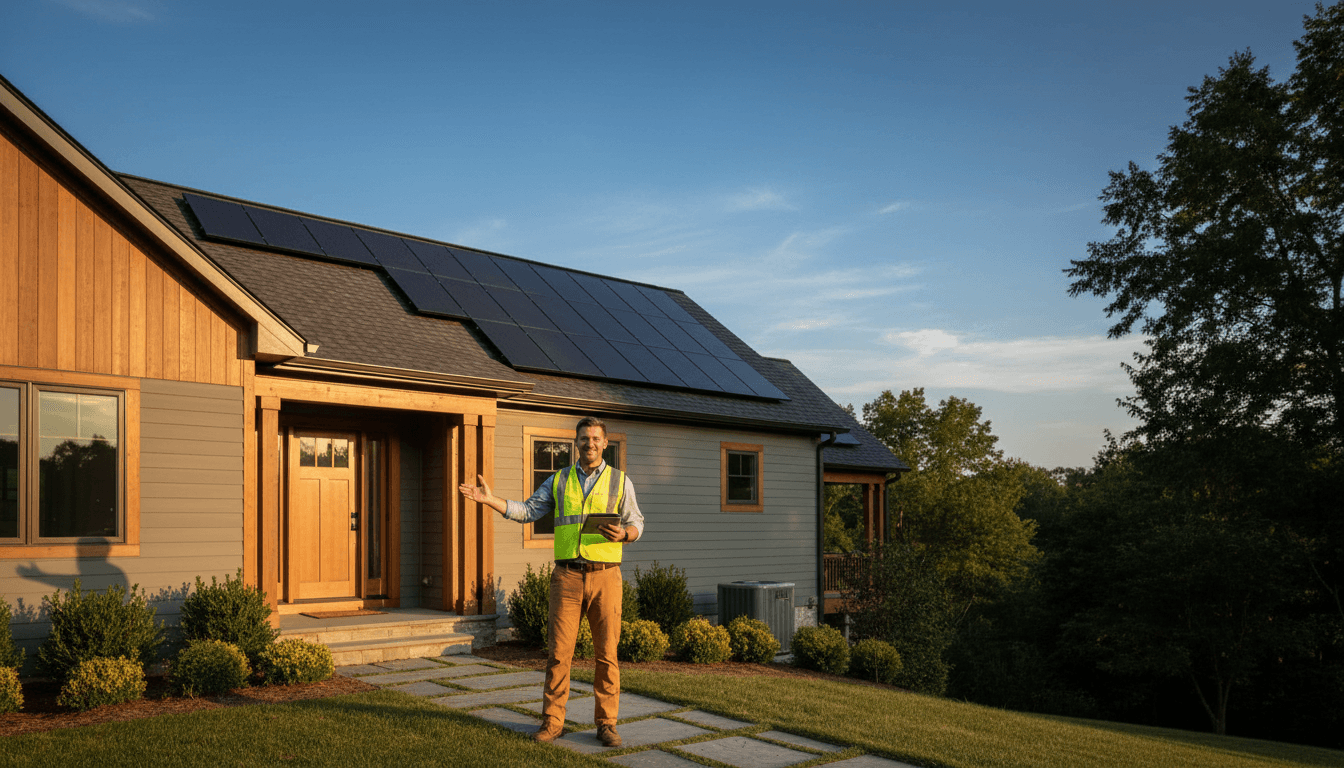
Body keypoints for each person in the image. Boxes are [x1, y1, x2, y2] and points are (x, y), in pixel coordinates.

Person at [458, 416, 643, 746]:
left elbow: (636, 522)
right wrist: (490, 500)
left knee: (607, 655)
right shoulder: (559, 480)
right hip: (567, 577)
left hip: (606, 577)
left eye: (596, 439)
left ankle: (607, 724)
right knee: (559, 654)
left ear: (605, 443)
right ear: (576, 442)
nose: (590, 443)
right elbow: (527, 511)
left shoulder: (620, 481)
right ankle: (553, 722)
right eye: (584, 438)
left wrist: (625, 534)